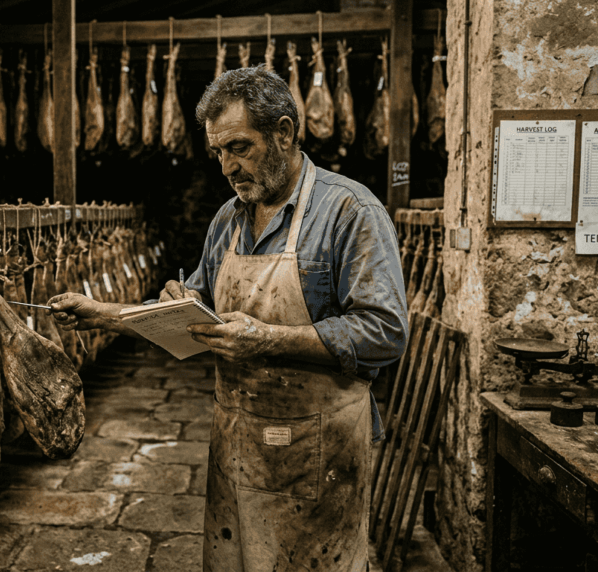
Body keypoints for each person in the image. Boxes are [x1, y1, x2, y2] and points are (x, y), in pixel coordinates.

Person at [49, 65, 407, 572]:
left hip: (318, 452)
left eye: (239, 147)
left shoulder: (350, 211)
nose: (226, 166)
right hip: (237, 445)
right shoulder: (227, 220)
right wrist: (103, 313)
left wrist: (269, 339)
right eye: (218, 152)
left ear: (284, 132)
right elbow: (191, 313)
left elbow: (385, 332)